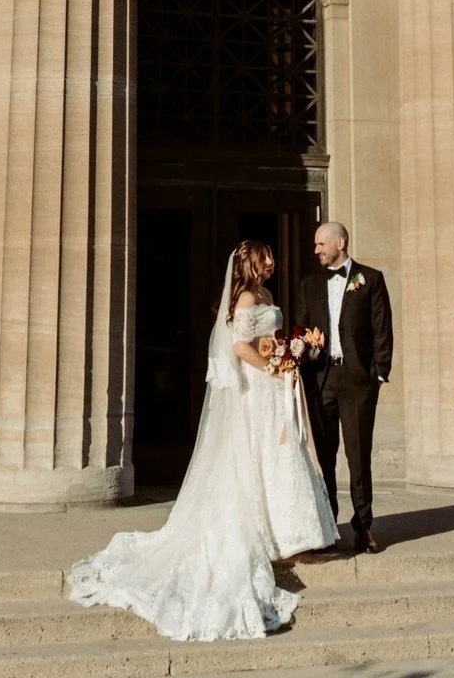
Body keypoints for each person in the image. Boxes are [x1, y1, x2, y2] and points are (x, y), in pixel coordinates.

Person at [69, 240, 336, 641]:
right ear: (249, 263)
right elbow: (241, 348)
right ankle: (265, 532)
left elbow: (270, 335)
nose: (272, 261)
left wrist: (289, 349)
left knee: (279, 454)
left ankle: (288, 533)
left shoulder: (266, 294)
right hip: (256, 387)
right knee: (255, 456)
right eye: (265, 256)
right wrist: (274, 367)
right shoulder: (245, 298)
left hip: (271, 390)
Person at [297, 221, 393, 555]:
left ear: (340, 242)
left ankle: (364, 527)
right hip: (321, 380)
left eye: (321, 243)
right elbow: (301, 330)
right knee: (323, 457)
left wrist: (378, 374)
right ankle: (327, 527)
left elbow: (382, 328)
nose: (316, 250)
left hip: (357, 382)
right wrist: (302, 350)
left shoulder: (371, 279)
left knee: (358, 455)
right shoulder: (309, 284)